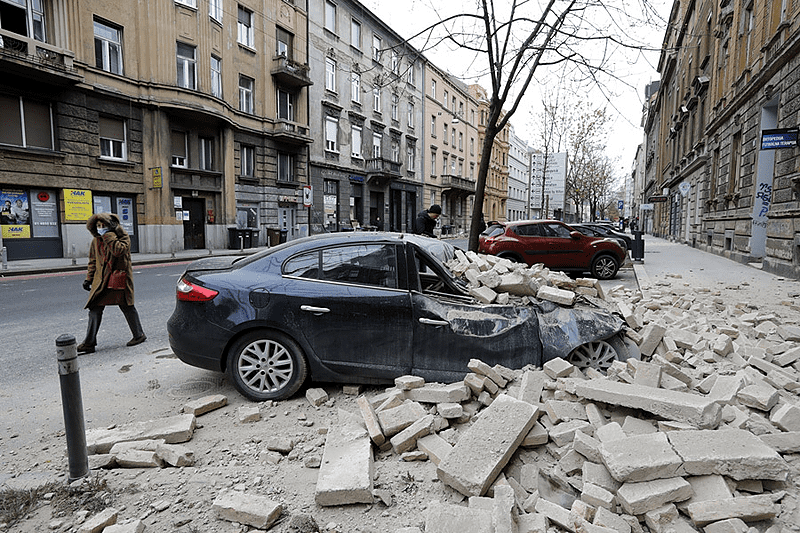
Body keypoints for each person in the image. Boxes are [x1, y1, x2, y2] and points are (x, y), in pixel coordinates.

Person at [77, 212, 146, 354]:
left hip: (118, 279)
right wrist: (88, 278)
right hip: (101, 280)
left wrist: (109, 235)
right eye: (98, 225)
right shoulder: (96, 241)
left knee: (127, 306)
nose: (100, 228)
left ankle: (139, 335)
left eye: (103, 225)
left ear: (111, 226)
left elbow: (118, 251)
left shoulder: (123, 237)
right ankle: (89, 343)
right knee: (95, 308)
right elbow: (93, 261)